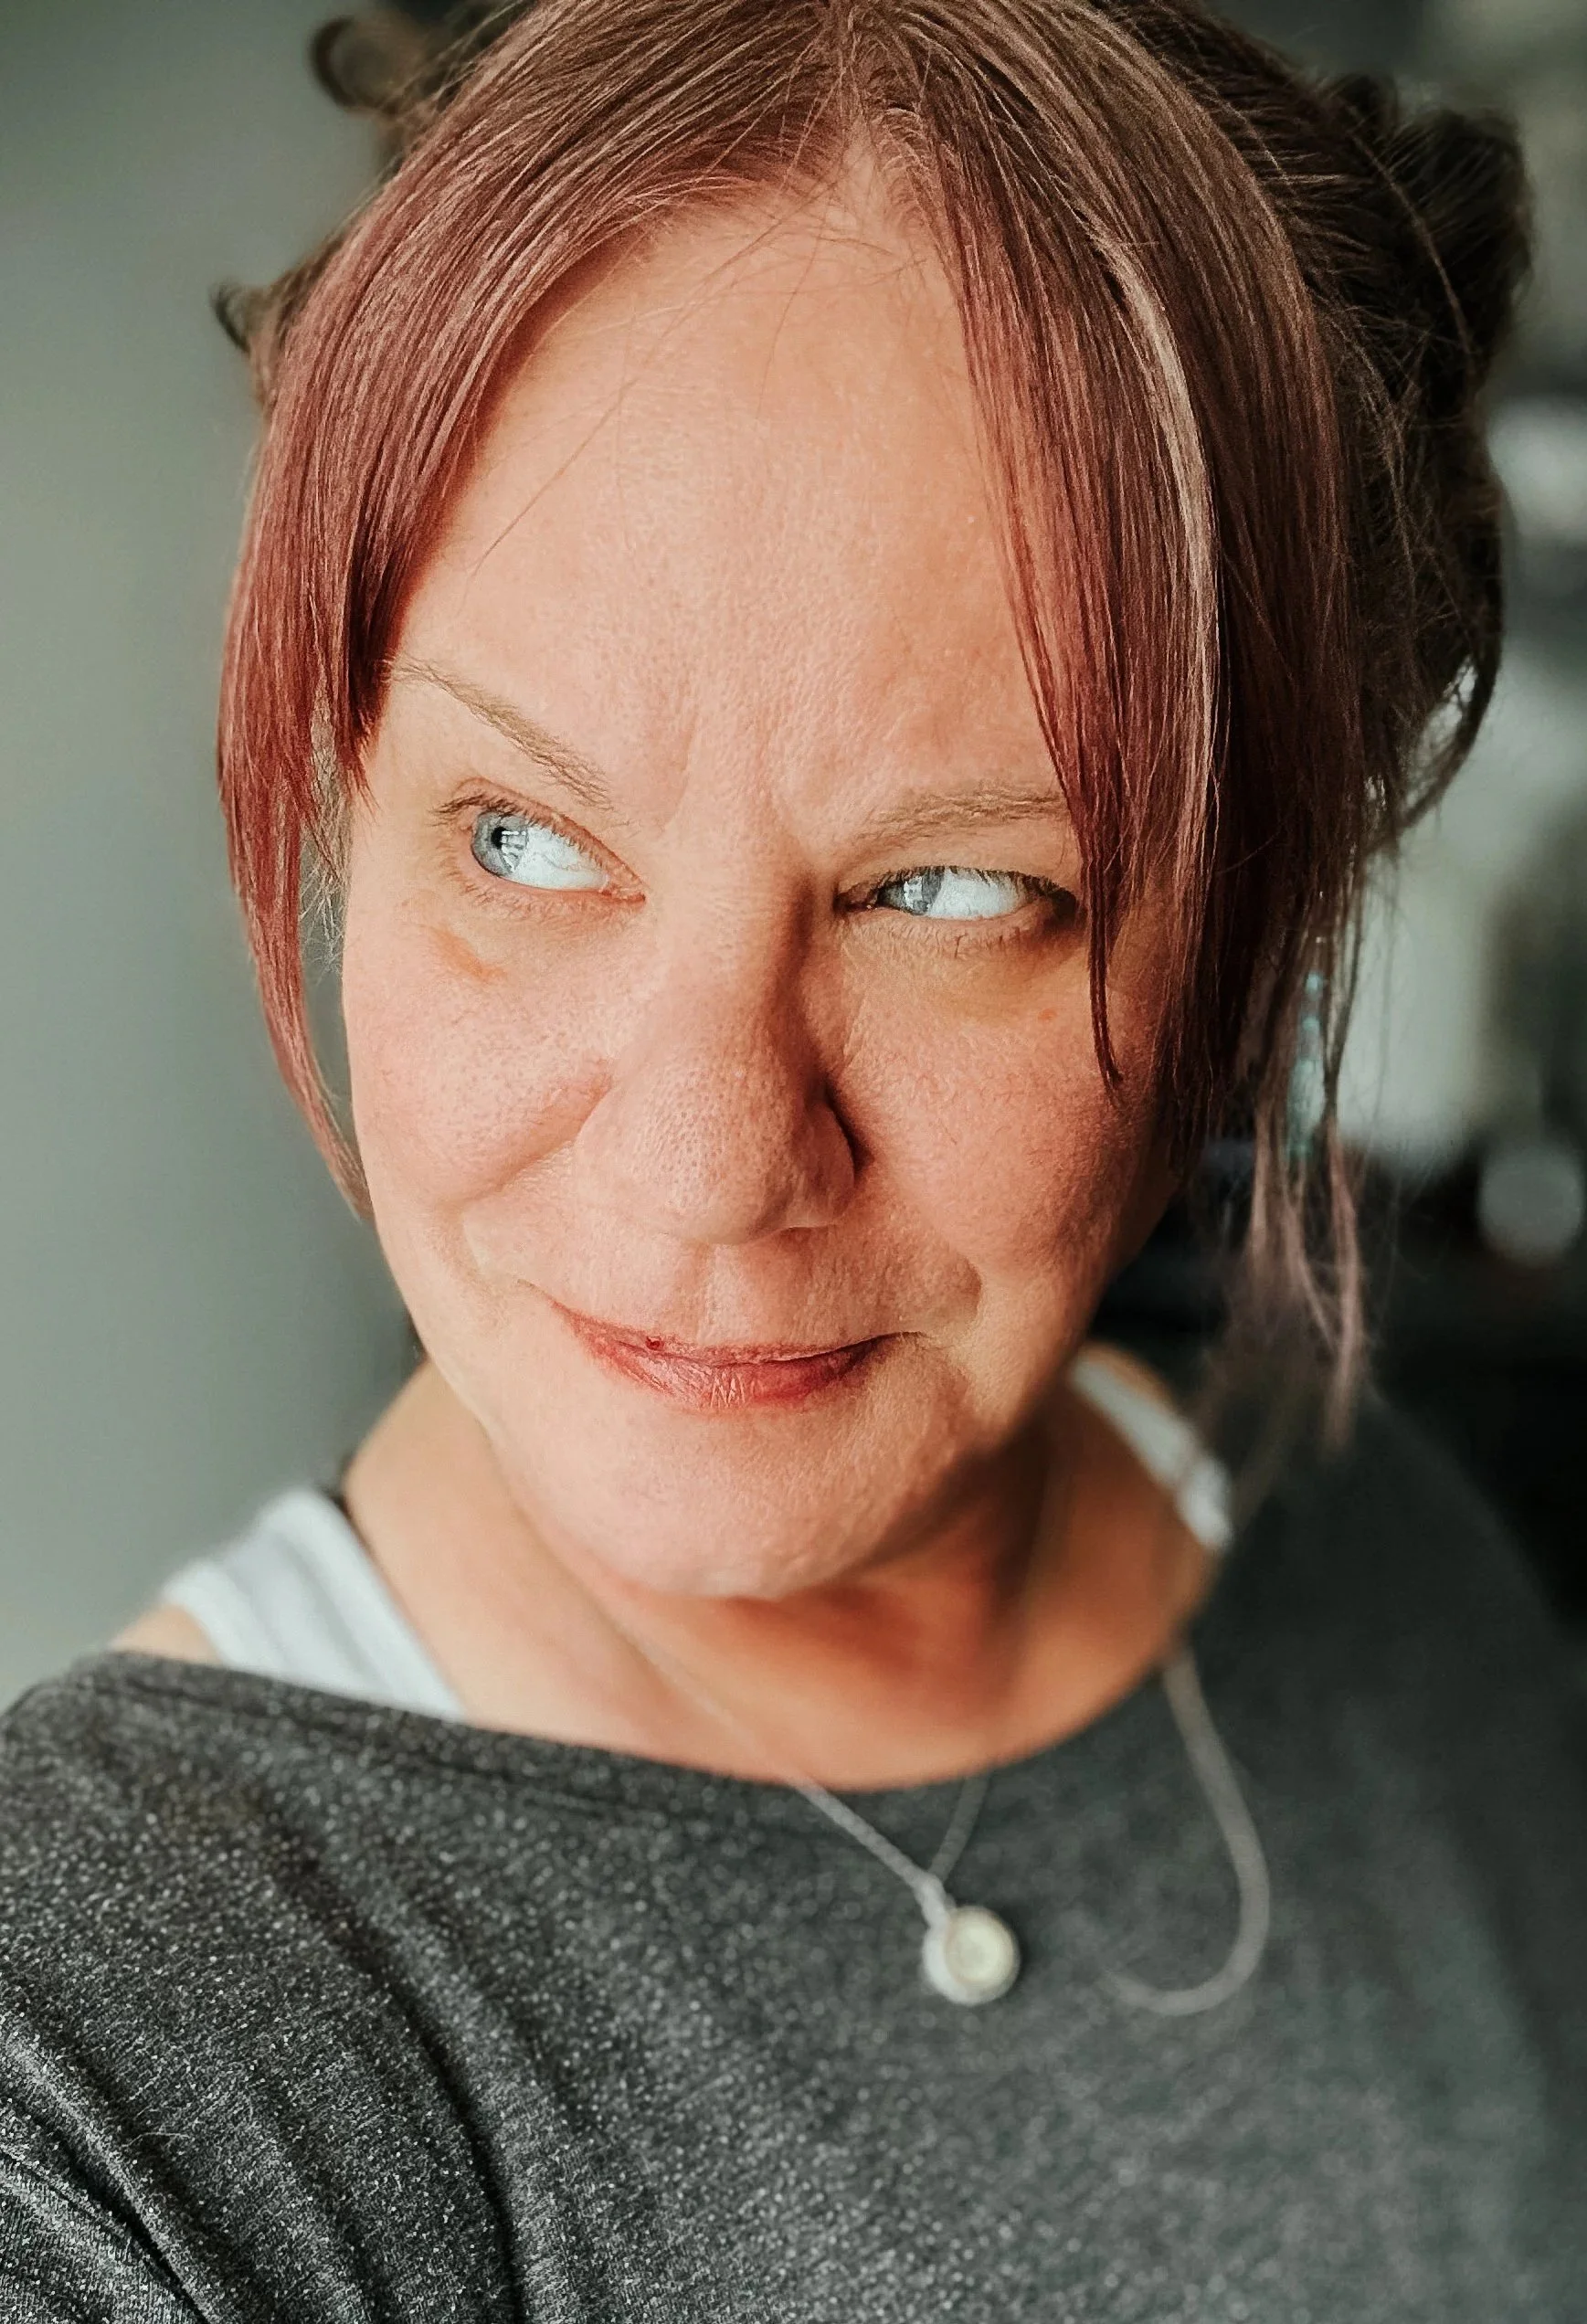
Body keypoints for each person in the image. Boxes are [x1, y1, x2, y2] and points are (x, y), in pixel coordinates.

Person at [2, 1, 1582, 2315]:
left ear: (1269, 930)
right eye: (521, 836)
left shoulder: (1383, 1573)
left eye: (957, 891)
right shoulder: (102, 2088)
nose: (707, 1166)